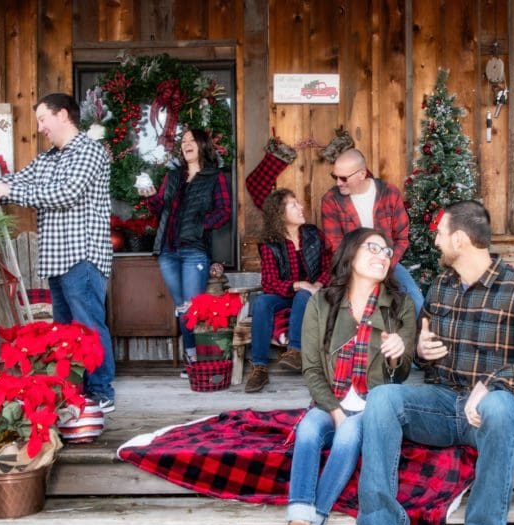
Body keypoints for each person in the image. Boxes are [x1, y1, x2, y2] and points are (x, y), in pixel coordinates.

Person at [323, 201, 514, 525]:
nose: (435, 241)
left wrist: (493, 383)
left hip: (488, 413)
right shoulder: (442, 287)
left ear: (459, 238)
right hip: (443, 404)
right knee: (384, 398)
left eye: (440, 234)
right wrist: (421, 350)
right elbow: (426, 359)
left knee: (503, 407)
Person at [258, 228, 416, 525]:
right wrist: (335, 411)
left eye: (387, 251)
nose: (382, 254)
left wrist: (396, 354)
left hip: (374, 405)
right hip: (333, 400)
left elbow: (401, 376)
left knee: (347, 438)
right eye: (372, 247)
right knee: (310, 427)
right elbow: (312, 368)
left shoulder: (400, 305)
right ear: (350, 253)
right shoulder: (322, 302)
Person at [0, 93, 116, 412]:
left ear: (62, 115)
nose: (40, 126)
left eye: (43, 119)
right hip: (58, 259)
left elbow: (65, 193)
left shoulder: (89, 151)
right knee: (67, 331)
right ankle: (74, 390)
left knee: (88, 324)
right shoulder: (48, 159)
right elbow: (17, 180)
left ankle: (101, 390)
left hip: (82, 255)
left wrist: (11, 190)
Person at [139, 128, 232, 369]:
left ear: (202, 145)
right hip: (167, 250)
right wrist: (149, 196)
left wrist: (200, 225)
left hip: (194, 251)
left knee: (193, 306)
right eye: (183, 141)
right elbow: (160, 207)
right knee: (181, 307)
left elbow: (224, 211)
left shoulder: (215, 177)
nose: (186, 143)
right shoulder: (172, 177)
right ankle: (191, 356)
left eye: (192, 140)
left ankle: (201, 358)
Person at [244, 189, 332, 393]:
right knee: (262, 302)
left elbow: (330, 267)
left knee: (303, 295)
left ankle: (295, 351)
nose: (301, 207)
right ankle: (260, 367)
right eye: (294, 205)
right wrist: (298, 284)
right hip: (288, 293)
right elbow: (269, 282)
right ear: (280, 214)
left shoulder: (313, 234)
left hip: (314, 295)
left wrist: (318, 284)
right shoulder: (269, 244)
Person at [320, 149, 425, 314]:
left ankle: (416, 340)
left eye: (343, 178)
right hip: (352, 267)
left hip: (388, 262)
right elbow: (336, 244)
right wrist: (363, 268)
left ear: (361, 174)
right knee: (343, 309)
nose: (338, 183)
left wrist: (386, 264)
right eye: (335, 177)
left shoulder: (389, 193)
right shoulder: (331, 200)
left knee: (416, 301)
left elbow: (402, 237)